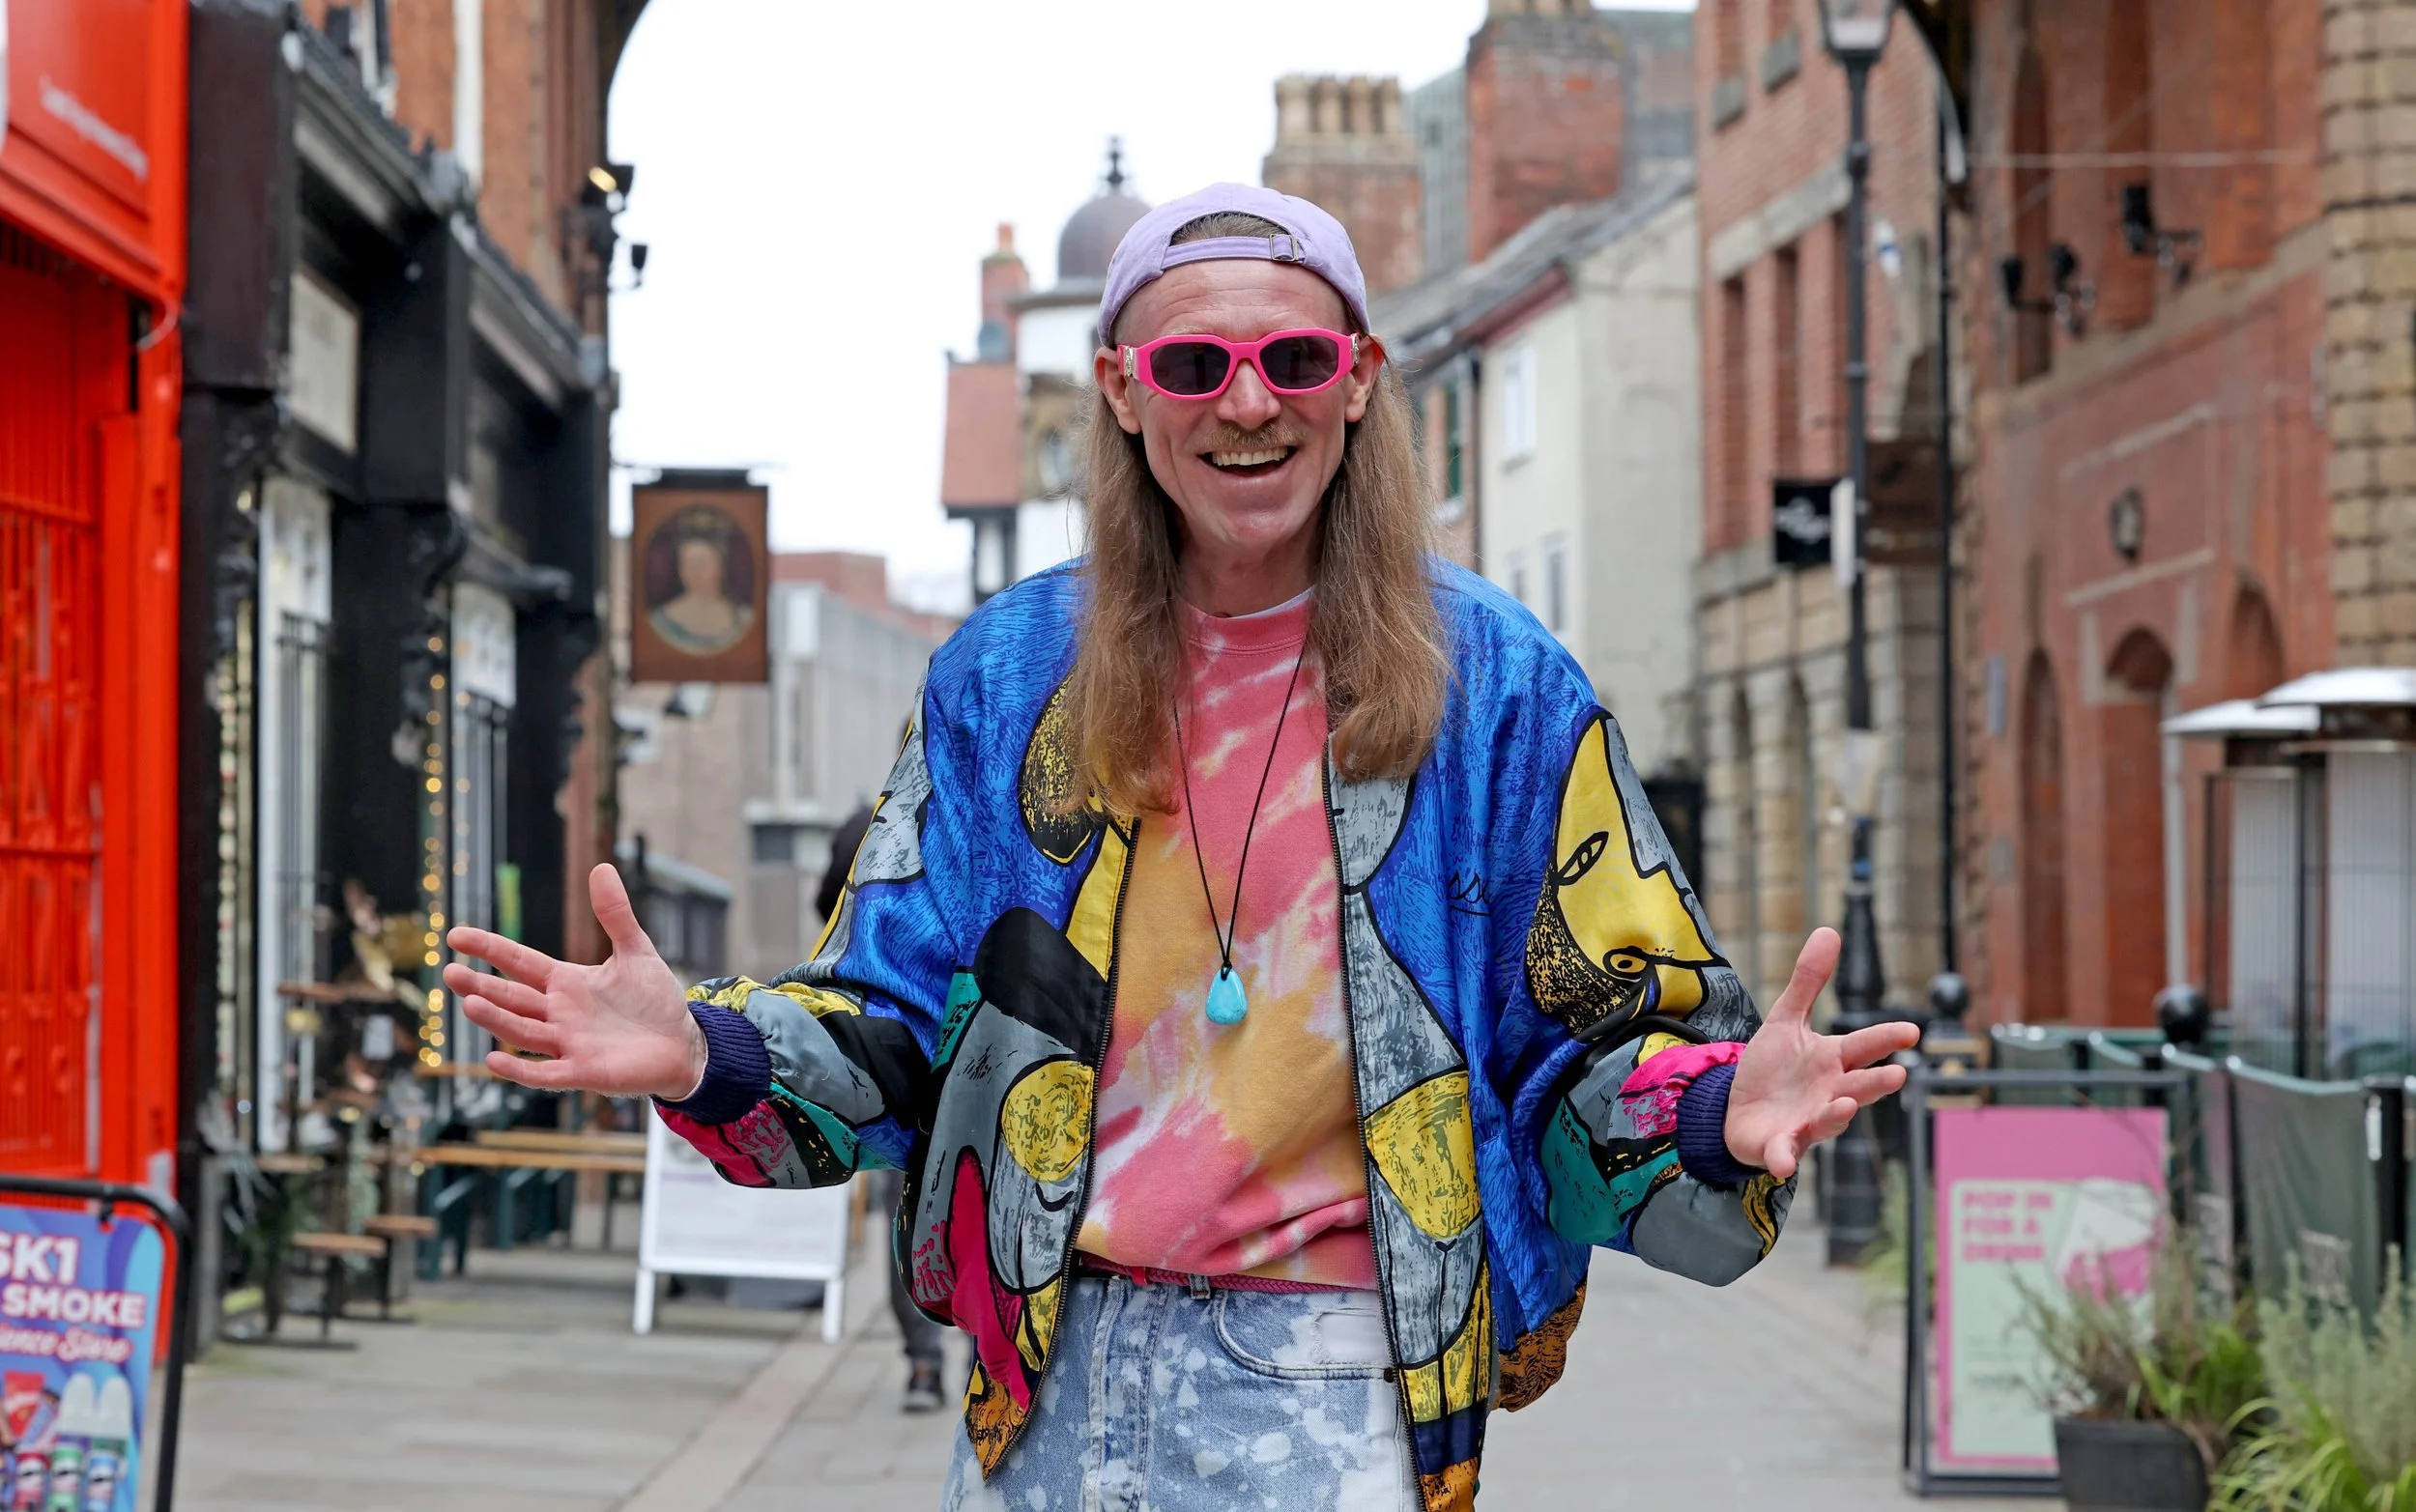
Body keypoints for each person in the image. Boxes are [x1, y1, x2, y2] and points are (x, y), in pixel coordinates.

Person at [447, 183, 1918, 1511]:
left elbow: (1590, 1039)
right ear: (1122, 393)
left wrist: (1715, 1105)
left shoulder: (1499, 686)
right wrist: (704, 1049)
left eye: (1293, 359)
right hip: (1045, 1384)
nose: (1247, 403)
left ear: (1358, 385)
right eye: (1193, 365)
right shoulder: (1011, 678)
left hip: (1338, 1385)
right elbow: (891, 1026)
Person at [819, 797, 948, 1413]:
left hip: (891, 1052)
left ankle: (924, 1363)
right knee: (998, 1199)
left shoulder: (865, 827)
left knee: (909, 1213)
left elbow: (829, 917)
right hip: (989, 1047)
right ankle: (986, 1358)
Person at [648, 510, 753, 654]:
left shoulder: (744, 619)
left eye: (701, 563)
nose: (694, 571)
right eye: (686, 564)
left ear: (721, 566)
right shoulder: (660, 621)